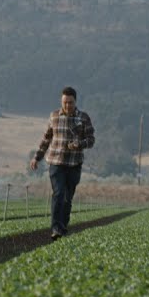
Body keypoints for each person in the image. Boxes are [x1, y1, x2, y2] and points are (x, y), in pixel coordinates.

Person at [29, 86, 95, 240]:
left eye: (70, 103)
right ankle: (56, 228)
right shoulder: (54, 116)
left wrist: (80, 144)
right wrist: (36, 157)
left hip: (74, 164)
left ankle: (63, 227)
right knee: (58, 193)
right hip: (56, 162)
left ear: (75, 101)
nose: (67, 106)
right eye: (65, 102)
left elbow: (91, 140)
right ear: (61, 101)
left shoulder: (83, 118)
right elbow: (46, 139)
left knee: (67, 198)